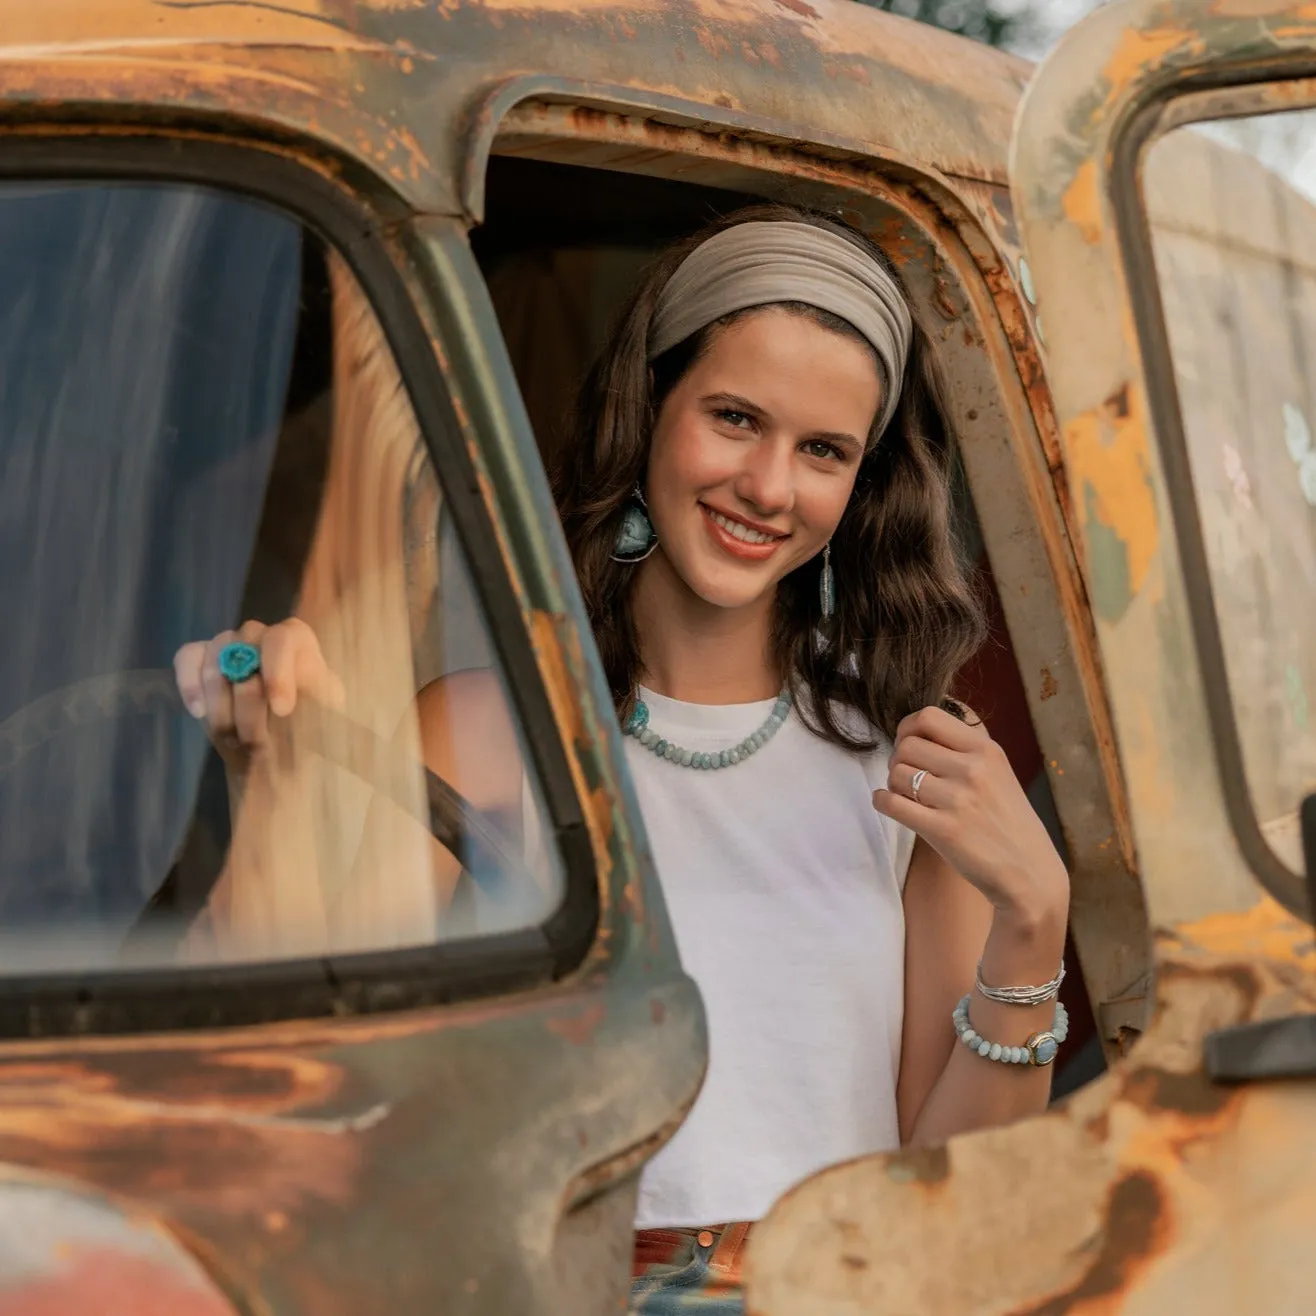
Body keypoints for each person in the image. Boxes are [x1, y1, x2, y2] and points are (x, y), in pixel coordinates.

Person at [175, 205, 1071, 1312]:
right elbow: (323, 1077)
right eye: (734, 417)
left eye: (822, 450)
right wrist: (265, 768)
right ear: (647, 410)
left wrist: (1033, 922)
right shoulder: (481, 736)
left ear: (857, 487)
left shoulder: (909, 766)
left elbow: (954, 1199)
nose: (768, 485)